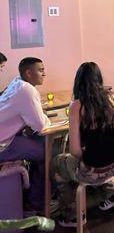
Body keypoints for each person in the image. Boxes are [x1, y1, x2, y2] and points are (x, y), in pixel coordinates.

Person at [52, 62, 114, 227]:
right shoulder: (111, 96)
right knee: (97, 154)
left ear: (78, 81)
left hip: (94, 170)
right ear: (99, 79)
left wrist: (88, 150)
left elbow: (75, 151)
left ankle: (72, 215)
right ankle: (112, 194)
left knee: (56, 163)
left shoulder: (76, 106)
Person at [0, 57, 50, 213]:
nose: (44, 74)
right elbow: (40, 125)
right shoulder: (27, 90)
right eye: (41, 70)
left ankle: (32, 195)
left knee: (37, 142)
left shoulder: (16, 83)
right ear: (28, 73)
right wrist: (43, 116)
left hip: (8, 136)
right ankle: (37, 203)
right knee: (47, 153)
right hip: (3, 144)